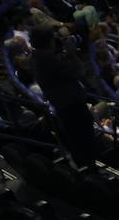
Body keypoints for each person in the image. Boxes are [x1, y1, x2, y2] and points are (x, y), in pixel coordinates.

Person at [31, 26, 99, 167]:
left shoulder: (36, 57)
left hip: (63, 105)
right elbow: (79, 71)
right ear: (50, 41)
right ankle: (91, 172)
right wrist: (71, 52)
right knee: (84, 142)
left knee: (77, 142)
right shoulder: (48, 59)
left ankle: (88, 170)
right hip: (71, 106)